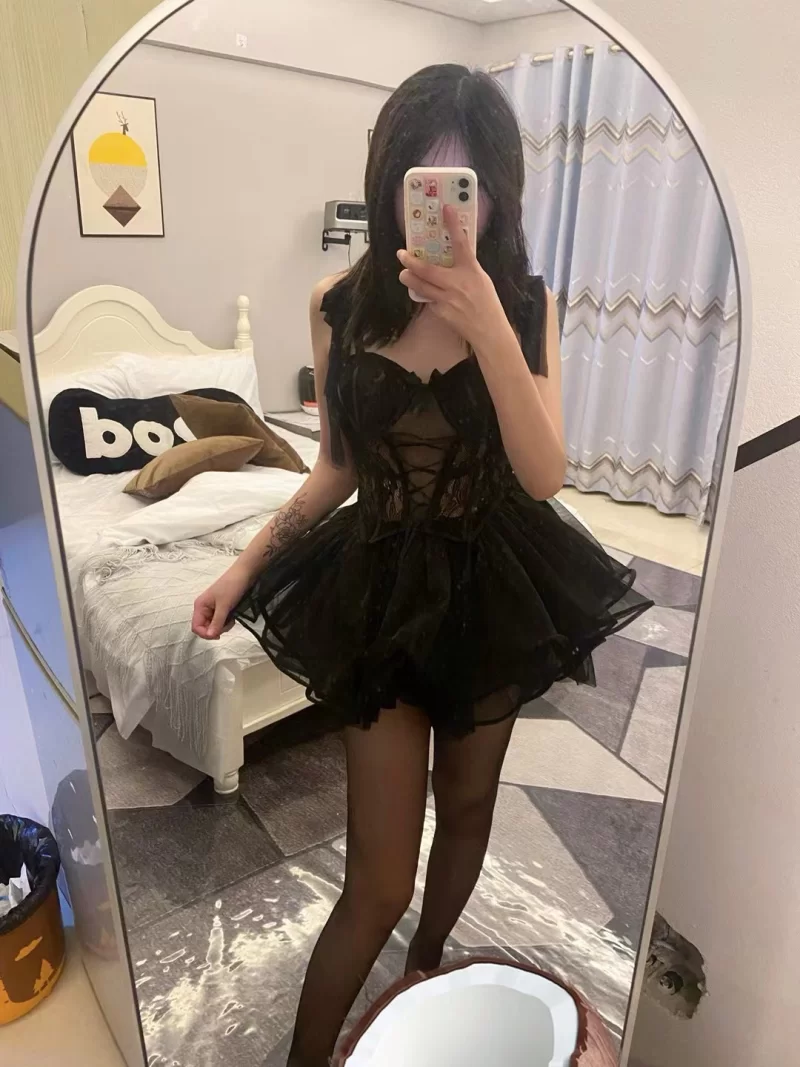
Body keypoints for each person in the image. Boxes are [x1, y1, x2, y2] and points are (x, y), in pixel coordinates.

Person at [192, 64, 651, 1067]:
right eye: (423, 180)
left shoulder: (526, 302)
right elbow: (334, 467)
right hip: (379, 588)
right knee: (377, 880)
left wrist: (486, 321)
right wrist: (244, 564)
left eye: (465, 185)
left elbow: (543, 474)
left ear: (496, 191)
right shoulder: (338, 304)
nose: (446, 208)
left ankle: (427, 966)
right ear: (389, 182)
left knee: (471, 805)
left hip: (495, 581)